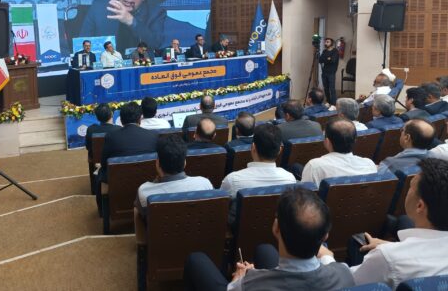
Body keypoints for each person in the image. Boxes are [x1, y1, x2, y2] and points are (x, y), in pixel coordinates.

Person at [184, 187, 355, 291]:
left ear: (276, 228)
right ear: (325, 236)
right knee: (264, 249)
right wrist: (327, 256)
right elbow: (331, 262)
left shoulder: (249, 284)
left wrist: (239, 278)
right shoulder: (344, 274)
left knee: (196, 259)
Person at [348, 158, 448, 288]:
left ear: (419, 206)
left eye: (411, 186)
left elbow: (346, 282)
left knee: (357, 241)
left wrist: (326, 257)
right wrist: (394, 246)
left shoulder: (388, 257)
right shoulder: (391, 254)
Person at [79, 0, 165, 52]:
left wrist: (131, 21)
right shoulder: (98, 8)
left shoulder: (156, 13)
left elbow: (156, 45)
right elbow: (81, 46)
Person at [221, 124, 296, 221]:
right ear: (280, 150)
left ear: (253, 148)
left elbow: (221, 207)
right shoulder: (290, 179)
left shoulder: (232, 180)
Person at [135, 135, 213, 213]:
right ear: (184, 163)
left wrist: (157, 180)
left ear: (158, 163)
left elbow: (140, 216)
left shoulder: (145, 192)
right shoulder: (205, 184)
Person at [301, 118, 377, 187]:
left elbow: (305, 194)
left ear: (327, 142)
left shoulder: (314, 166)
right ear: (355, 141)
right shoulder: (369, 165)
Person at [99, 102, 158, 183]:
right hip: (148, 182)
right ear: (140, 119)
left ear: (121, 120)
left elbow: (104, 163)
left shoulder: (111, 136)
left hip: (120, 183)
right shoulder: (153, 135)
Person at [318, 37, 339, 105]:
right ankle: (328, 101)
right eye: (325, 42)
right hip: (324, 72)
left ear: (331, 43)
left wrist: (326, 59)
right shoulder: (324, 51)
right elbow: (320, 60)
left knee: (332, 89)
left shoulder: (335, 51)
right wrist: (328, 58)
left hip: (331, 73)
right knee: (326, 88)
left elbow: (333, 60)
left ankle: (333, 104)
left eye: (327, 42)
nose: (326, 43)